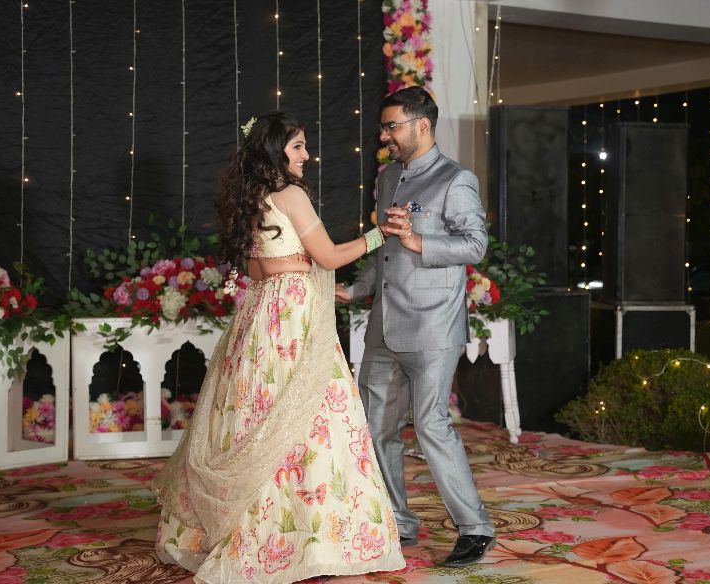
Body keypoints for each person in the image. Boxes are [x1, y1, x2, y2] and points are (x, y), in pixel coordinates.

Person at [153, 112, 405, 583]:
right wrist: (379, 235)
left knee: (258, 412)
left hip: (261, 320)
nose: (306, 155)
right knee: (312, 413)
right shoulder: (291, 195)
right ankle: (306, 539)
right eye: (297, 147)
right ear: (275, 151)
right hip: (295, 320)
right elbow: (329, 256)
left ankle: (263, 532)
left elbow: (257, 270)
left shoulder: (250, 197)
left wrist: (290, 262)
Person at [336, 86, 496, 567]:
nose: (384, 136)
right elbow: (387, 252)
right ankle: (398, 523)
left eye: (392, 127)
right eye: (383, 128)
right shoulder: (388, 178)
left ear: (422, 124)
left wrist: (419, 240)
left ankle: (475, 528)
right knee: (376, 428)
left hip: (432, 328)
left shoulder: (456, 179)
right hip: (384, 328)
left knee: (430, 425)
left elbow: (475, 246)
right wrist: (355, 290)